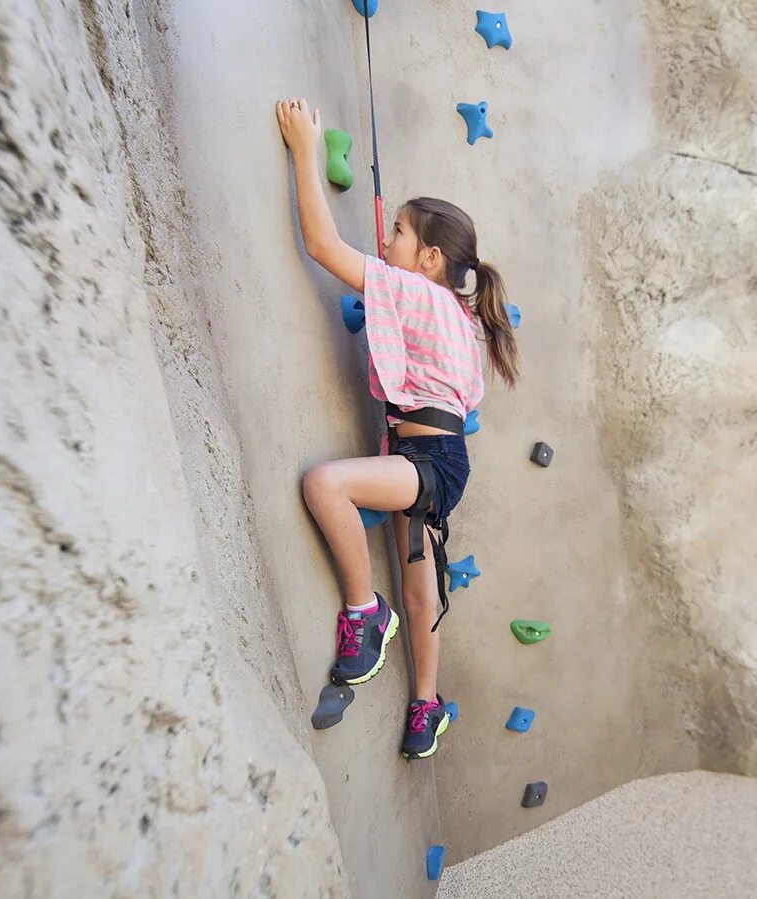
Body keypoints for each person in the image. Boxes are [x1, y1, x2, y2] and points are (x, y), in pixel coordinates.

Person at [275, 97, 519, 757]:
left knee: (326, 485)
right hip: (437, 457)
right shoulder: (461, 320)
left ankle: (364, 612)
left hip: (430, 462)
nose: (389, 242)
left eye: (400, 234)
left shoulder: (417, 293)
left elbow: (324, 245)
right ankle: (426, 706)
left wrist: (304, 148)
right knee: (420, 582)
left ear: (432, 258)